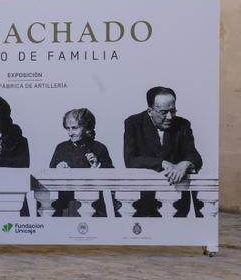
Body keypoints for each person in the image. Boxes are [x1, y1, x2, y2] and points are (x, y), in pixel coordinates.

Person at [123, 87, 203, 217]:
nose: (170, 117)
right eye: (164, 112)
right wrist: (162, 163)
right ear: (150, 111)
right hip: (144, 200)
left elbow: (194, 156)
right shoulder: (133, 123)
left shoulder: (183, 124)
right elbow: (130, 160)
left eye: (173, 111)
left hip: (176, 199)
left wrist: (186, 163)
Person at [48, 107, 114, 217]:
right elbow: (50, 175)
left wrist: (97, 166)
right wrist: (57, 169)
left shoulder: (99, 148)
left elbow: (111, 176)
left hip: (94, 206)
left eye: (74, 128)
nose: (70, 133)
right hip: (67, 206)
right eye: (67, 128)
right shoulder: (61, 148)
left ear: (87, 128)